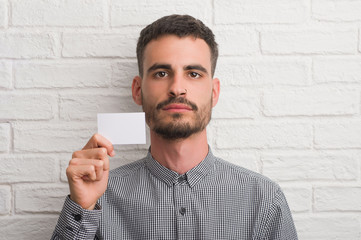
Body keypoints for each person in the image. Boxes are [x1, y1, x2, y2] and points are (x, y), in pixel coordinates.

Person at [51, 14, 298, 240]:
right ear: (138, 90)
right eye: (161, 73)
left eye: (193, 74)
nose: (177, 87)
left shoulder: (263, 199)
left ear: (214, 92)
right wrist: (81, 207)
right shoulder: (98, 198)